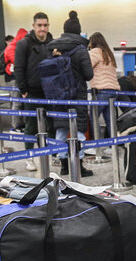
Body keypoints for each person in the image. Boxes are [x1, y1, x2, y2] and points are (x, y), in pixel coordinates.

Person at [46, 11, 94, 176]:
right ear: (78, 31)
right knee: (78, 130)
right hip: (77, 95)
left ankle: (64, 165)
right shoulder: (80, 49)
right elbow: (88, 75)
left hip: (57, 94)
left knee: (61, 129)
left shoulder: (53, 46)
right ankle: (78, 165)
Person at [14, 12, 53, 172]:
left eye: (45, 25)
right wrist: (23, 90)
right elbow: (19, 68)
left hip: (49, 92)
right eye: (39, 25)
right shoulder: (24, 44)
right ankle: (29, 157)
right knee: (31, 126)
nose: (42, 29)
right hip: (31, 92)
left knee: (49, 125)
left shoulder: (53, 43)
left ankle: (47, 155)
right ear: (34, 26)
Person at [88, 31, 120, 140]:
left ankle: (97, 145)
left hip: (101, 90)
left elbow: (87, 67)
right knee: (110, 120)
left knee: (94, 118)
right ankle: (113, 146)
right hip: (113, 91)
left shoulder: (95, 52)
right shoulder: (108, 53)